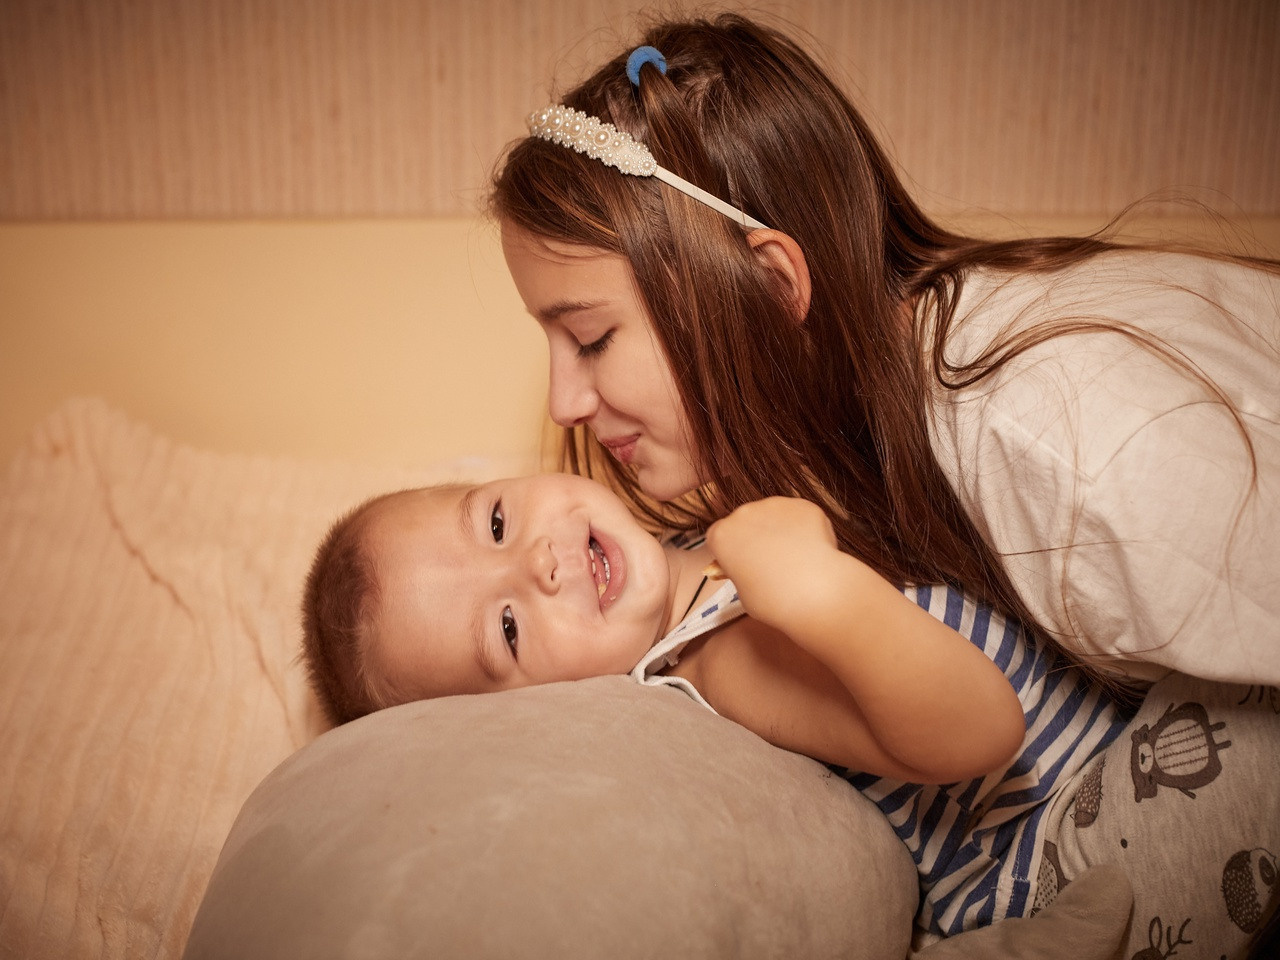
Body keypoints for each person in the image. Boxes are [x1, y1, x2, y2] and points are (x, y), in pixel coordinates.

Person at [486, 13, 1280, 956]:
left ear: (775, 289)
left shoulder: (1052, 438)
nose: (561, 401)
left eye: (591, 338)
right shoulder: (760, 552)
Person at [301, 472, 1126, 938]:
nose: (540, 561)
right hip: (1059, 831)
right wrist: (817, 588)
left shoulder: (700, 537)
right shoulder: (715, 659)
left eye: (495, 521)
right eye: (508, 628)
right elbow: (979, 731)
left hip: (1105, 721)